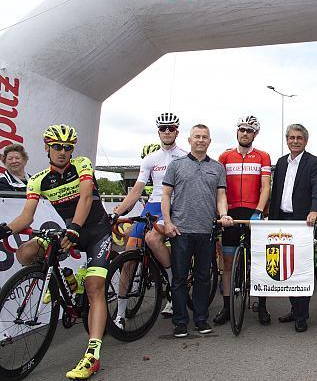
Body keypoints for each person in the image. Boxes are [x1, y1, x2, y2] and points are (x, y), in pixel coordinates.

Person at [0, 125, 111, 379]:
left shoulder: (81, 164)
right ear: (47, 147)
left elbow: (85, 199)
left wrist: (73, 228)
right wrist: (5, 229)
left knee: (95, 287)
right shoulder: (38, 179)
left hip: (96, 230)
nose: (63, 152)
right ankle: (66, 280)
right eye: (57, 147)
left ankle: (92, 355)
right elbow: (26, 217)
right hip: (69, 231)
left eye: (67, 147)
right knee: (26, 253)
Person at [111, 113, 187, 324]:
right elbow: (136, 191)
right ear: (158, 132)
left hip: (175, 206)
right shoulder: (150, 159)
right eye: (163, 128)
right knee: (129, 255)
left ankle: (173, 287)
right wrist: (118, 213)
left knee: (152, 239)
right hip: (153, 205)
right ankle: (120, 314)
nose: (167, 132)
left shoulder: (184, 156)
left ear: (177, 131)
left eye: (171, 128)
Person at [161, 124, 232, 338]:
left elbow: (221, 196)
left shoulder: (218, 168)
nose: (201, 140)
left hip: (206, 231)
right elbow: (166, 195)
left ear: (209, 141)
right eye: (197, 137)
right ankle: (180, 321)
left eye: (205, 137)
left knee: (203, 277)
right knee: (180, 278)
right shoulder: (176, 165)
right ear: (189, 140)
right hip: (180, 231)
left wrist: (223, 215)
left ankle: (201, 319)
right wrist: (167, 222)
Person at [214, 115, 272, 326]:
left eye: (249, 130)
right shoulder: (225, 156)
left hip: (252, 212)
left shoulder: (263, 156)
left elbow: (266, 186)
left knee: (258, 262)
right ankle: (227, 308)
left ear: (255, 134)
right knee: (228, 262)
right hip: (230, 213)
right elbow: (220, 188)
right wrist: (221, 212)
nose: (245, 133)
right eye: (242, 130)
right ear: (237, 131)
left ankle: (262, 307)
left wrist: (258, 210)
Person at [269, 124, 317, 333]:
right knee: (286, 266)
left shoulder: (314, 162)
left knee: (301, 268)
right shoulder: (281, 162)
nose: (295, 141)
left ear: (305, 141)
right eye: (291, 137)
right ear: (287, 140)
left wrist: (315, 210)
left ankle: (302, 315)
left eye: (299, 138)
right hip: (281, 219)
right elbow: (276, 193)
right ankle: (294, 307)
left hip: (303, 221)